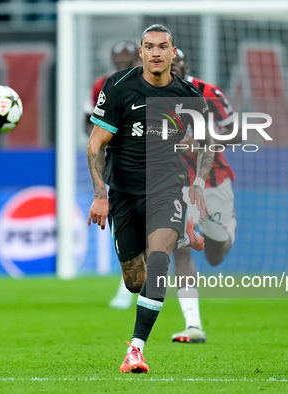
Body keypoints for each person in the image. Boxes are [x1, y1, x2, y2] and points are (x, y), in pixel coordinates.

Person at [87, 24, 214, 373]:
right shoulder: (118, 87)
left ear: (174, 53)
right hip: (124, 192)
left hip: (166, 188)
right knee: (135, 281)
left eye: (163, 46)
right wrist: (101, 196)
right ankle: (161, 244)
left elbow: (206, 146)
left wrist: (199, 183)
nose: (156, 52)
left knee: (160, 263)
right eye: (149, 46)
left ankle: (136, 351)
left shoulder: (188, 96)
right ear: (141, 52)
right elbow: (96, 144)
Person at [169, 48, 238, 343]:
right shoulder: (148, 96)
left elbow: (235, 131)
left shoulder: (208, 92)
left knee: (214, 253)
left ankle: (226, 234)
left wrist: (203, 138)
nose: (172, 67)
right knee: (180, 247)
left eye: (177, 62)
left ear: (185, 65)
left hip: (213, 181)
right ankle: (194, 324)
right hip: (175, 182)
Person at [84, 40, 140, 136]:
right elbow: (88, 121)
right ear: (113, 58)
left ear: (137, 58)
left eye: (128, 55)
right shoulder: (100, 84)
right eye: (119, 56)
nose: (123, 58)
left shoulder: (148, 83)